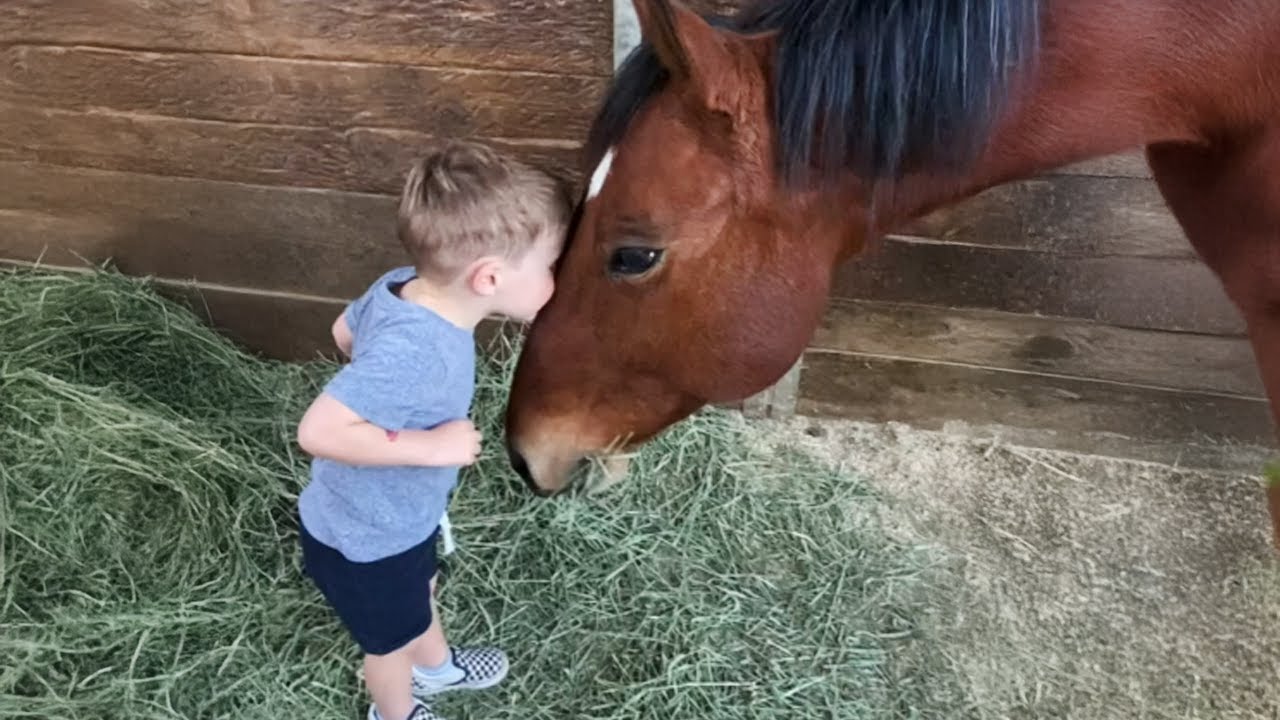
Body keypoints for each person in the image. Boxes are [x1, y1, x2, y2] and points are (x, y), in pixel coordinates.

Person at [294, 141, 568, 720]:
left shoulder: (402, 284)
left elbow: (343, 332)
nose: (557, 280)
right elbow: (318, 431)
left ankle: (437, 668)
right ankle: (395, 712)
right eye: (549, 267)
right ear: (489, 277)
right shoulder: (418, 353)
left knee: (421, 593)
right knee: (388, 644)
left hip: (402, 518)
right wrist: (430, 445)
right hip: (366, 538)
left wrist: (383, 396)